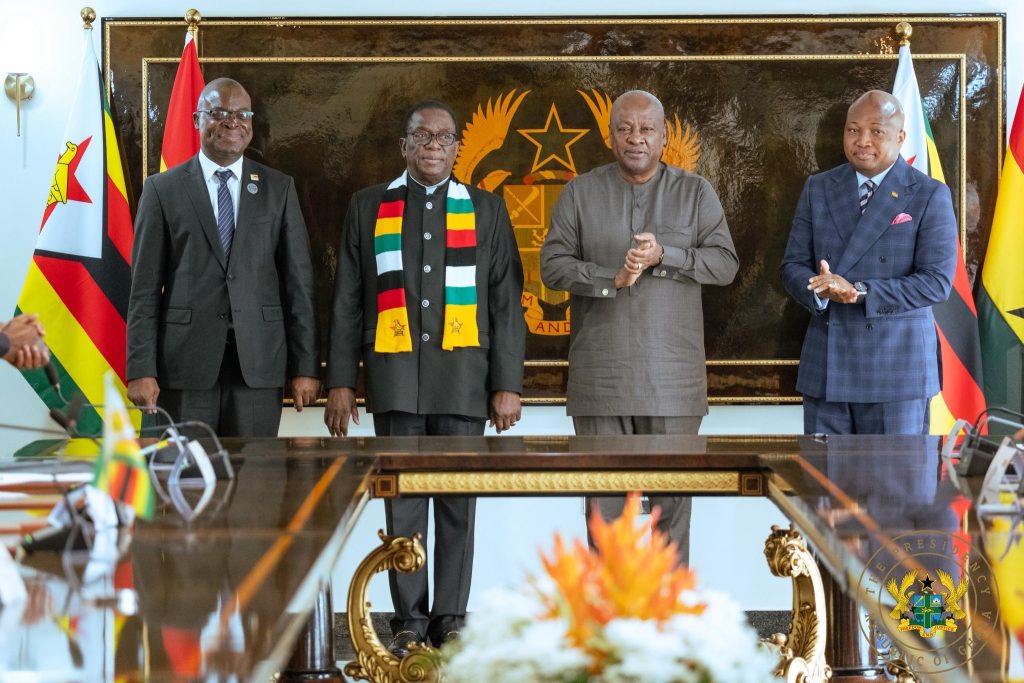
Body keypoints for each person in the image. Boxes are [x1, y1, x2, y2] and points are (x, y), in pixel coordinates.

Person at [324, 100, 525, 655]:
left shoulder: (486, 209)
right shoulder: (369, 206)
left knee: (458, 503)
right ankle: (409, 620)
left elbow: (505, 302)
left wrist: (507, 383)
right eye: (422, 136)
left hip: (464, 379)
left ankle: (450, 618)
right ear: (404, 146)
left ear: (458, 147)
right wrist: (341, 381)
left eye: (444, 137)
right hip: (394, 379)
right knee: (404, 504)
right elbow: (347, 299)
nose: (433, 145)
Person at [540, 90, 738, 564]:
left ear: (664, 137)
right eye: (625, 129)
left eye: (647, 129)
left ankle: (668, 613)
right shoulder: (580, 192)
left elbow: (725, 264)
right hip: (600, 381)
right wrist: (612, 277)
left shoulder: (695, 192)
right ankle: (608, 614)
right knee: (605, 523)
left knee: (671, 523)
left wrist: (665, 255)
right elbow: (552, 266)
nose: (636, 138)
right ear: (610, 137)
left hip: (673, 384)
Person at [127, 78, 319, 436]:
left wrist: (305, 366)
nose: (233, 122)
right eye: (219, 113)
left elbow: (299, 285)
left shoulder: (279, 188)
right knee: (184, 468)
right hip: (183, 366)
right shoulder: (162, 190)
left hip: (258, 365)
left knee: (253, 470)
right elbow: (143, 290)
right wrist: (140, 369)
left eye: (242, 114)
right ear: (196, 119)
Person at [779, 90, 957, 435]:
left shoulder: (928, 193)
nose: (862, 141)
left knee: (893, 472)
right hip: (827, 364)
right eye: (853, 130)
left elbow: (936, 283)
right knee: (823, 471)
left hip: (896, 368)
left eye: (876, 131)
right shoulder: (818, 187)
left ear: (900, 137)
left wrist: (858, 291)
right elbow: (792, 265)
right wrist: (819, 290)